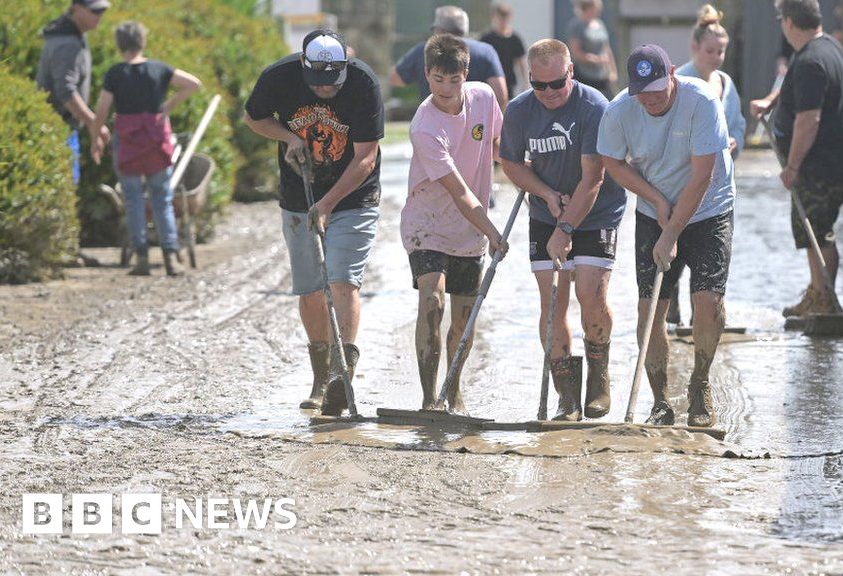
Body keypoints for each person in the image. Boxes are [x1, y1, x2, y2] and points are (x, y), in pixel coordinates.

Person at [244, 29, 384, 415]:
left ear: (344, 66)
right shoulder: (278, 76)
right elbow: (253, 117)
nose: (325, 89)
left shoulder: (363, 83)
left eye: (332, 81)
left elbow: (366, 158)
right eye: (317, 83)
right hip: (298, 194)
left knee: (342, 279)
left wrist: (328, 203)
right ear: (303, 66)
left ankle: (343, 377)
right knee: (309, 289)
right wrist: (288, 138)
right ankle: (321, 380)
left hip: (354, 195)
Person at [598, 44, 735, 427]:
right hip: (653, 209)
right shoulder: (620, 110)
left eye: (658, 89)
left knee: (707, 300)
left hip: (709, 206)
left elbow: (702, 175)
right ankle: (660, 401)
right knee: (649, 310)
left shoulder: (702, 102)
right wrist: (656, 200)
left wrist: (672, 231)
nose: (651, 99)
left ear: (673, 72)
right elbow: (611, 161)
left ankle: (700, 383)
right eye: (643, 92)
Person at [501, 39, 626, 421]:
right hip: (545, 210)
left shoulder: (594, 108)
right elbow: (510, 163)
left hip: (597, 209)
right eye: (539, 86)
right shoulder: (519, 111)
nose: (549, 93)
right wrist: (545, 193)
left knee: (590, 293)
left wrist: (567, 225)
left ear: (571, 72)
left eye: (557, 83)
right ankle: (566, 396)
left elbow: (594, 178)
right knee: (553, 301)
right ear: (529, 79)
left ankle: (598, 378)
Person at [402, 34, 506, 414]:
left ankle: (454, 390)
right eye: (437, 79)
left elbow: (500, 147)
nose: (445, 89)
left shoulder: (484, 98)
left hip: (469, 231)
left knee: (464, 316)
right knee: (433, 300)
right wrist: (494, 232)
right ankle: (430, 399)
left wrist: (528, 174)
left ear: (466, 73)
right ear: (426, 75)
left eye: (453, 79)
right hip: (427, 223)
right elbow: (460, 192)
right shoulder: (425, 126)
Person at [750, 0, 843, 318]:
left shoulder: (811, 62)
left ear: (789, 22)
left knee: (819, 231)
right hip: (835, 162)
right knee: (814, 230)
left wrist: (792, 166)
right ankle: (818, 294)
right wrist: (771, 101)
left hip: (821, 165)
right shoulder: (824, 47)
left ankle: (825, 299)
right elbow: (797, 86)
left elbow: (808, 119)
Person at [91, 21, 202, 277]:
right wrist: (168, 105)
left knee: (132, 201)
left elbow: (101, 111)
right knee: (162, 199)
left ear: (120, 44)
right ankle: (171, 257)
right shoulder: (159, 69)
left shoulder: (115, 73)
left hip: (127, 139)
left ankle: (141, 258)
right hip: (155, 137)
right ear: (143, 42)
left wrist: (96, 138)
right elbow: (193, 84)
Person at [668, 3, 745, 325]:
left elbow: (737, 123)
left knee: (706, 257)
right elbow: (667, 130)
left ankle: (702, 316)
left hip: (718, 185)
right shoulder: (680, 82)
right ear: (695, 48)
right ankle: (670, 313)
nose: (716, 57)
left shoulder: (726, 82)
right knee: (676, 251)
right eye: (711, 51)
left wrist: (734, 142)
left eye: (721, 52)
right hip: (682, 180)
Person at [35, 0, 111, 266]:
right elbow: (65, 91)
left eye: (103, 10)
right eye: (95, 10)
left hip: (64, 128)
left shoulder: (72, 36)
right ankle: (60, 252)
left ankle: (64, 249)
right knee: (65, 187)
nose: (100, 16)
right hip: (59, 128)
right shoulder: (67, 42)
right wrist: (94, 122)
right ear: (76, 9)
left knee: (69, 187)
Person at [391, 5, 508, 110]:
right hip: (474, 126)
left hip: (433, 122)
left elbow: (396, 79)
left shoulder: (424, 50)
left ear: (439, 30)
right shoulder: (486, 51)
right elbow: (500, 95)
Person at [565, 0, 617, 98]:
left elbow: (607, 49)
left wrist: (612, 71)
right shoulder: (576, 26)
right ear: (588, 8)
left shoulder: (600, 24)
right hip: (584, 75)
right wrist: (596, 60)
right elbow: (576, 53)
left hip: (601, 75)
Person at [479, 2, 527, 97]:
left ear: (510, 18)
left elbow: (521, 61)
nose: (502, 21)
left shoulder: (515, 39)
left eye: (505, 18)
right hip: (489, 81)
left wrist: (525, 81)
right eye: (500, 18)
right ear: (494, 17)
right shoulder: (486, 38)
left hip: (508, 81)